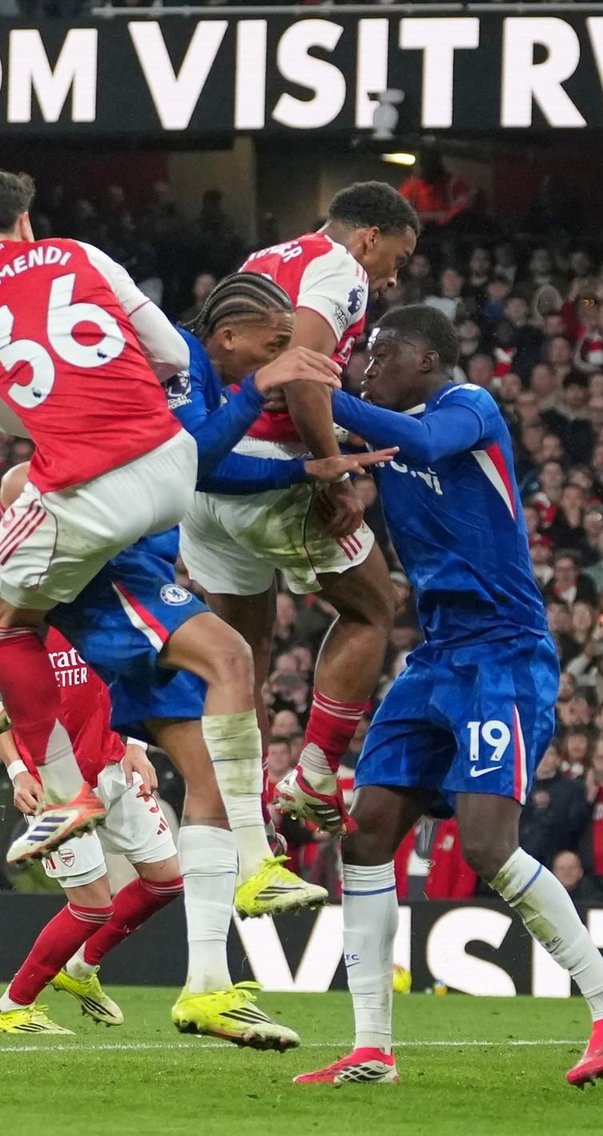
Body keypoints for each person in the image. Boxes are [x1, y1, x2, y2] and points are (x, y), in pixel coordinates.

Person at [1, 273, 380, 1048]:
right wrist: (271, 415)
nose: (279, 357)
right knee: (231, 655)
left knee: (204, 777)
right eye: (273, 344)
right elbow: (196, 461)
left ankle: (206, 985)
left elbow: (205, 465)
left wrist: (301, 466)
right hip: (115, 567)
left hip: (129, 561)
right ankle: (252, 857)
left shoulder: (192, 374)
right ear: (229, 336)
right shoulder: (176, 368)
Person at [293, 305, 603, 1088]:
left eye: (381, 354)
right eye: (362, 357)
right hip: (434, 657)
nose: (366, 367)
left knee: (488, 843)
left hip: (504, 654)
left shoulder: (468, 408)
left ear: (426, 359)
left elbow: (421, 444)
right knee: (366, 834)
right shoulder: (381, 438)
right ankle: (371, 1047)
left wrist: (320, 391)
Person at [179, 181, 419, 837]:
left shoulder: (265, 258)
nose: (392, 278)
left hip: (209, 475)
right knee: (375, 607)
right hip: (272, 470)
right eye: (395, 260)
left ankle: (246, 824)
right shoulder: (342, 270)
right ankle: (315, 775)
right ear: (369, 238)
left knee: (243, 657)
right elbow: (303, 371)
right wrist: (333, 475)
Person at [0, 169, 198, 864]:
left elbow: (14, 412)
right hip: (173, 461)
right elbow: (173, 355)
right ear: (26, 222)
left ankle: (64, 793)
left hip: (90, 485)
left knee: (8, 624)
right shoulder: (83, 254)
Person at [0, 632, 180, 1035]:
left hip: (114, 763)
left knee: (166, 879)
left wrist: (137, 746)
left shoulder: (97, 616)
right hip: (54, 784)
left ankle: (81, 967)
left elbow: (140, 675)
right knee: (92, 907)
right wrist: (17, 772)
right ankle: (13, 1006)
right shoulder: (18, 626)